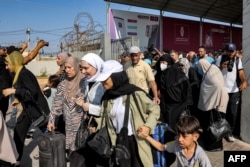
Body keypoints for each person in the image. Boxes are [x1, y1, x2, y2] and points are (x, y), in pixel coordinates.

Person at [95, 60, 160, 167]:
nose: (102, 83)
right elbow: (104, 118)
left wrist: (147, 127)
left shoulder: (135, 93)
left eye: (105, 79)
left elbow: (155, 109)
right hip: (117, 142)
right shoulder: (107, 97)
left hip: (136, 143)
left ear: (116, 77)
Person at [2, 51, 50, 166]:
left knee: (48, 134)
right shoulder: (19, 73)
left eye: (8, 64)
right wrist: (17, 100)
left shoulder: (24, 74)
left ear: (15, 63)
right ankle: (16, 160)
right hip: (27, 110)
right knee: (18, 133)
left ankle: (58, 153)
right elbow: (25, 91)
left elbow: (32, 92)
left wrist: (13, 91)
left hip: (37, 110)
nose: (7, 67)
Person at [47, 56, 87, 167]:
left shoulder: (85, 83)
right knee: (73, 155)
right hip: (69, 128)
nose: (67, 70)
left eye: (70, 67)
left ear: (76, 67)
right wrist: (51, 120)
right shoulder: (62, 85)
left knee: (83, 156)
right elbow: (56, 105)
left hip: (83, 128)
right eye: (66, 68)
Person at [138, 115, 212, 167]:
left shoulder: (201, 156)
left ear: (195, 137)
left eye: (184, 136)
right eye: (179, 135)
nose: (179, 139)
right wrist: (146, 136)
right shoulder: (176, 145)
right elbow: (161, 147)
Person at [75, 52, 106, 166]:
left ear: (96, 66)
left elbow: (109, 110)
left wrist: (89, 107)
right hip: (92, 127)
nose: (83, 72)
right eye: (81, 68)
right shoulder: (89, 82)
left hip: (103, 130)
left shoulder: (104, 83)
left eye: (86, 68)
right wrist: (82, 104)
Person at [215, 43, 247, 142]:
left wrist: (244, 81)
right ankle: (221, 132)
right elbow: (214, 71)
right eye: (229, 51)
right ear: (226, 50)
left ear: (235, 51)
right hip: (223, 90)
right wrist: (221, 67)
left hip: (234, 91)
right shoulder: (220, 58)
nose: (231, 53)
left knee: (233, 113)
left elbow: (240, 72)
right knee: (221, 113)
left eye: (232, 51)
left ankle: (230, 133)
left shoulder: (237, 60)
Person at [197, 59, 229, 151]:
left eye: (199, 66)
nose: (199, 68)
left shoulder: (210, 74)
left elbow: (217, 86)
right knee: (217, 125)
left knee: (214, 126)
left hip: (215, 104)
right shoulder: (213, 68)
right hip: (218, 102)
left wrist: (213, 100)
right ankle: (216, 145)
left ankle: (214, 146)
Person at [156, 54, 193, 127]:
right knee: (169, 122)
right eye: (161, 62)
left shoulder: (177, 72)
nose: (162, 64)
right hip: (167, 104)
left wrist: (187, 101)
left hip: (179, 103)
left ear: (169, 62)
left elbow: (185, 86)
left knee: (179, 123)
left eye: (164, 62)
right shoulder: (161, 74)